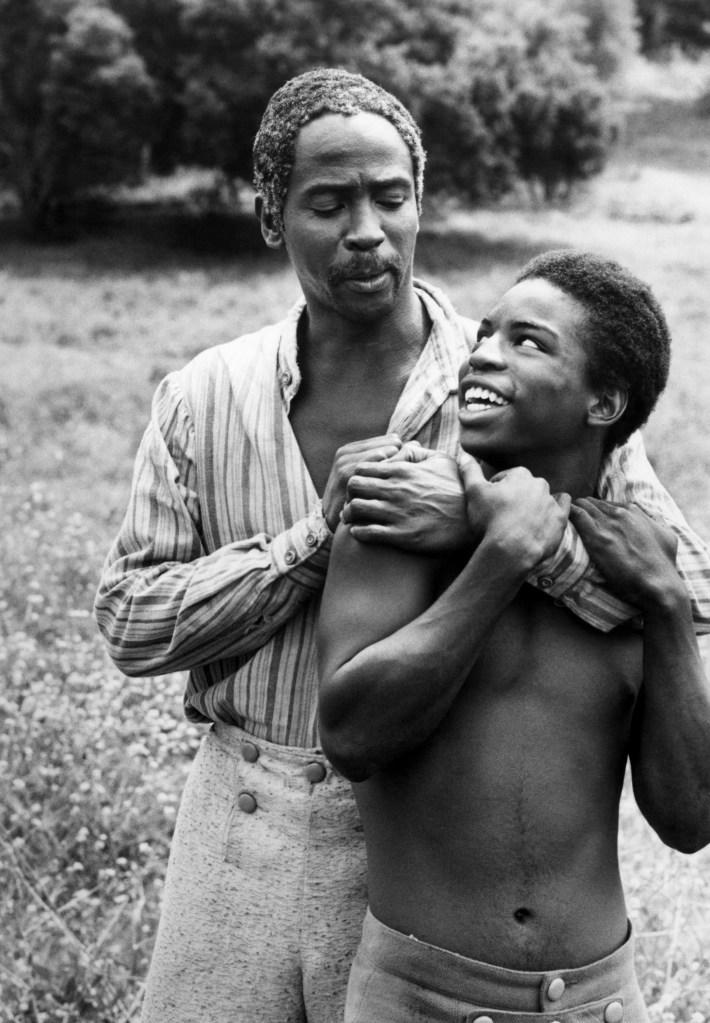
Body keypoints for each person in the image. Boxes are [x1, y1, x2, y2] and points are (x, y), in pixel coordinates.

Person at [93, 67, 710, 1023]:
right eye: (328, 203)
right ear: (272, 218)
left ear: (421, 201)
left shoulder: (510, 379)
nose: (367, 230)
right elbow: (129, 622)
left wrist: (495, 531)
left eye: (391, 197)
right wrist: (313, 539)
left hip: (418, 843)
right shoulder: (205, 396)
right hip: (243, 810)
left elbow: (684, 584)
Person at [317, 249, 710, 1023]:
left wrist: (665, 607)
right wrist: (499, 558)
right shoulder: (400, 515)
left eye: (527, 341)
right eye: (486, 333)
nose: (483, 352)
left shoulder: (639, 562)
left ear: (603, 402)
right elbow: (352, 733)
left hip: (602, 1001)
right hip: (419, 999)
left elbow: (690, 819)